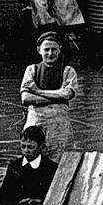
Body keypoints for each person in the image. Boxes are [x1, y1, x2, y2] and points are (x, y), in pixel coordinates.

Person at [20, 29, 81, 161]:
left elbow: (67, 94)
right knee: (33, 164)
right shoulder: (31, 70)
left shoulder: (68, 71)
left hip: (59, 130)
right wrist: (57, 96)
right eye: (46, 49)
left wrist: (37, 91)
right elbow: (25, 98)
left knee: (61, 165)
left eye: (54, 49)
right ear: (39, 50)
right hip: (35, 125)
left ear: (59, 49)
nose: (50, 53)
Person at [0, 125, 58, 205]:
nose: (26, 150)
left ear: (41, 146)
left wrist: (39, 201)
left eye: (31, 147)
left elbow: (55, 195)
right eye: (23, 146)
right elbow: (4, 193)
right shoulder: (15, 166)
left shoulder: (50, 168)